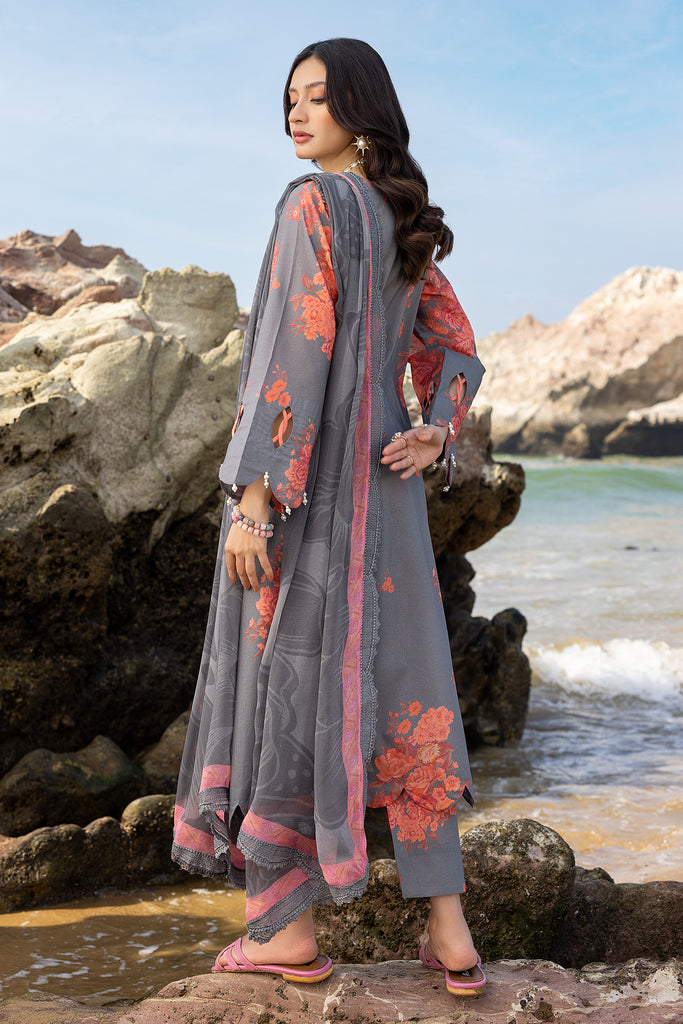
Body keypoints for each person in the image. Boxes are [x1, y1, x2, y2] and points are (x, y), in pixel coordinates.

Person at [172, 37, 486, 998]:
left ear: (360, 104)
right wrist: (434, 431)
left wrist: (255, 502)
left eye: (316, 97)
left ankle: (289, 934)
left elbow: (291, 353)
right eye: (289, 100)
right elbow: (454, 346)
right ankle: (452, 937)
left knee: (289, 683)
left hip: (308, 502)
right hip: (387, 498)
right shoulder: (400, 218)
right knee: (406, 695)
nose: (296, 115)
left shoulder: (311, 203)